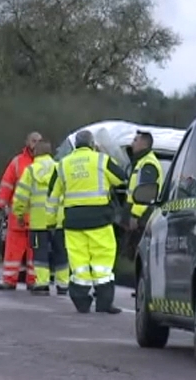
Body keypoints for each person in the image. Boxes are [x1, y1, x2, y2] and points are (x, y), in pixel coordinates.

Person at [48, 129, 128, 313]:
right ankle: (104, 303)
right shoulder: (101, 160)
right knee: (103, 263)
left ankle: (81, 301)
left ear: (76, 144)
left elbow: (52, 196)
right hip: (99, 220)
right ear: (93, 144)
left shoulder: (62, 165)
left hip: (73, 223)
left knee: (79, 264)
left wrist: (51, 221)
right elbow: (121, 179)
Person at [11, 139, 69, 296]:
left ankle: (42, 283)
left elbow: (21, 196)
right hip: (58, 221)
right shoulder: (60, 168)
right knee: (61, 252)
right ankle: (63, 284)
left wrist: (20, 214)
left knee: (40, 253)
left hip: (38, 222)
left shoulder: (31, 171)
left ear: (36, 152)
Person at [0, 131, 42, 290]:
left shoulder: (46, 163)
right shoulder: (17, 162)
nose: (36, 144)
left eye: (39, 141)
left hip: (38, 217)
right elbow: (6, 183)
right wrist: (0, 205)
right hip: (19, 216)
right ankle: (9, 280)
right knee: (13, 251)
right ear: (27, 142)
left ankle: (33, 281)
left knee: (34, 254)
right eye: (33, 140)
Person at [126, 131, 163, 231]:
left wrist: (135, 215)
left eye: (135, 140)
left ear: (143, 144)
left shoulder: (148, 163)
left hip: (143, 218)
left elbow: (145, 193)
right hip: (140, 216)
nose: (132, 144)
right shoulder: (142, 161)